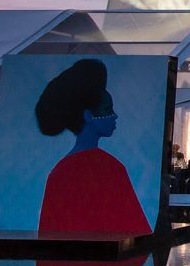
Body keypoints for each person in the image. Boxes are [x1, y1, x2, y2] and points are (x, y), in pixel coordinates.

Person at [34, 58, 151, 235]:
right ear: (88, 116)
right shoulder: (112, 169)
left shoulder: (58, 173)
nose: (114, 116)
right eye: (107, 109)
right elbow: (135, 232)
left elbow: (48, 238)